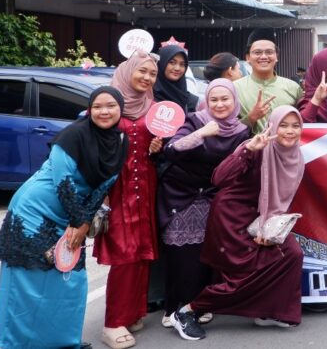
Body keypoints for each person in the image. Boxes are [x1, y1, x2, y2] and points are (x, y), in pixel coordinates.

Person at [0, 87, 125, 348]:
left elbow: (103, 186)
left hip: (73, 214)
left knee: (69, 278)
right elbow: (62, 181)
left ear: (121, 108)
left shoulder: (119, 141)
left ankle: (62, 341)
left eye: (110, 106)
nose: (104, 111)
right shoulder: (73, 135)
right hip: (35, 210)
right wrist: (80, 221)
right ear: (89, 109)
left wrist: (84, 220)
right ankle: (13, 343)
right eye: (97, 106)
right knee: (29, 280)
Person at [169, 106, 307, 340]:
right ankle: (188, 312)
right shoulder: (257, 147)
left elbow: (281, 199)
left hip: (262, 219)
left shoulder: (295, 155)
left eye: (295, 126)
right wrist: (247, 150)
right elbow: (219, 178)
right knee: (245, 275)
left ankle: (268, 310)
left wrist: (268, 226)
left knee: (291, 254)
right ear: (272, 126)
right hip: (232, 217)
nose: (290, 131)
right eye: (283, 125)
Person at [158, 79, 251, 327]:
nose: (220, 104)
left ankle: (197, 305)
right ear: (206, 101)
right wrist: (202, 133)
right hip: (180, 193)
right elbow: (172, 149)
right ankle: (173, 306)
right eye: (214, 100)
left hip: (212, 195)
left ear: (234, 101)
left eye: (225, 99)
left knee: (206, 253)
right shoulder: (195, 120)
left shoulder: (241, 130)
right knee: (180, 253)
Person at [96, 51, 164, 349]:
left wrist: (158, 146)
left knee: (142, 253)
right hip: (117, 190)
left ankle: (133, 312)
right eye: (142, 71)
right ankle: (112, 323)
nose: (147, 77)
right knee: (124, 256)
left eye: (152, 73)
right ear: (128, 71)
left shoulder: (154, 106)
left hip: (146, 187)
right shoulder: (109, 104)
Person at [236, 30, 303, 134]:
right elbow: (228, 129)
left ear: (276, 57)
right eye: (257, 52)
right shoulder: (235, 89)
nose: (263, 56)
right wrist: (251, 117)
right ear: (248, 58)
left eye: (269, 52)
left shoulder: (293, 88)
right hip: (249, 148)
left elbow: (302, 123)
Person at [155, 44, 198, 113]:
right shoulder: (147, 96)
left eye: (182, 64)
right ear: (161, 63)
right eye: (172, 62)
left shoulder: (191, 101)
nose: (177, 68)